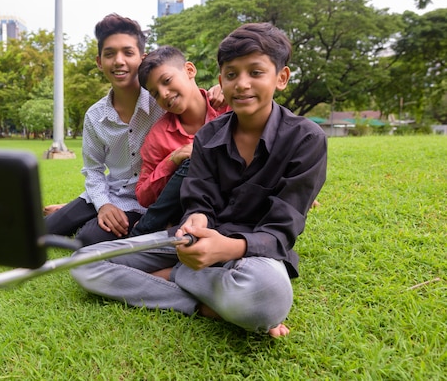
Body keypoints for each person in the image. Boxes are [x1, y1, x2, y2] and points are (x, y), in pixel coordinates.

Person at [69, 22, 327, 338]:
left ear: (281, 78)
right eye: (232, 75)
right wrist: (196, 221)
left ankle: (177, 276)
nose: (242, 84)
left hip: (253, 254)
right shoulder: (208, 136)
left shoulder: (305, 139)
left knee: (269, 297)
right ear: (221, 80)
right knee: (84, 262)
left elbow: (280, 232)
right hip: (191, 241)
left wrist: (226, 248)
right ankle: (202, 304)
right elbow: (198, 200)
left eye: (255, 72)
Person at [44, 14, 223, 246]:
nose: (119, 61)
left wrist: (222, 87)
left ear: (142, 58)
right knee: (46, 230)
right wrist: (103, 205)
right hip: (111, 192)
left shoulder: (162, 101)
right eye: (110, 54)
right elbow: (93, 170)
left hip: (145, 200)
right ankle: (74, 211)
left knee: (88, 238)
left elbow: (193, 100)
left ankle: (81, 217)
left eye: (128, 53)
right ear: (100, 62)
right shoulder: (95, 116)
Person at [129, 45, 230, 236]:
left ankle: (142, 234)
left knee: (201, 155)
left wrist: (228, 87)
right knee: (191, 161)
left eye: (166, 81)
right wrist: (173, 159)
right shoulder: (158, 136)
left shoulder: (229, 106)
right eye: (155, 93)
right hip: (189, 210)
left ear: (190, 70)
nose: (164, 94)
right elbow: (143, 195)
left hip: (232, 200)